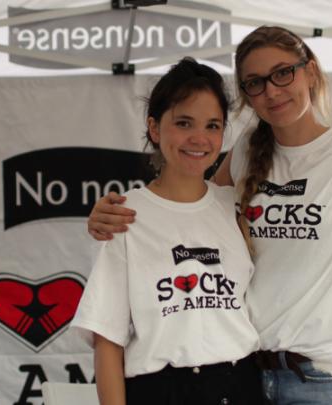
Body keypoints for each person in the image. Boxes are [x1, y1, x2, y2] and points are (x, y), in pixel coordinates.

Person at [87, 26, 332, 405]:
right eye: (255, 83)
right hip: (249, 380)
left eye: (282, 73)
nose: (272, 91)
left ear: (310, 71)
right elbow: (191, 212)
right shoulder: (244, 152)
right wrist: (106, 214)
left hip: (323, 380)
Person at [71, 57, 264, 405]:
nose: (199, 138)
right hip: (162, 391)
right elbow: (107, 339)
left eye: (212, 125)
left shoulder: (234, 206)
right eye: (184, 122)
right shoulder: (124, 216)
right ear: (155, 128)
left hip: (243, 386)